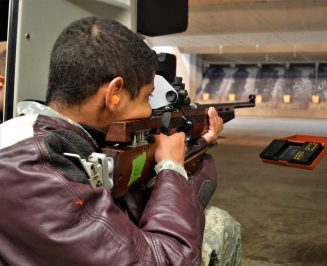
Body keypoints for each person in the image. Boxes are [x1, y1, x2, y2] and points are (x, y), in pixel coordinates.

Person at [0, 17, 240, 265]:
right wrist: (171, 168)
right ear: (115, 94)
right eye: (148, 97)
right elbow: (169, 259)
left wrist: (199, 143)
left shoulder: (66, 141)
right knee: (221, 226)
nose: (149, 111)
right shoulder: (33, 166)